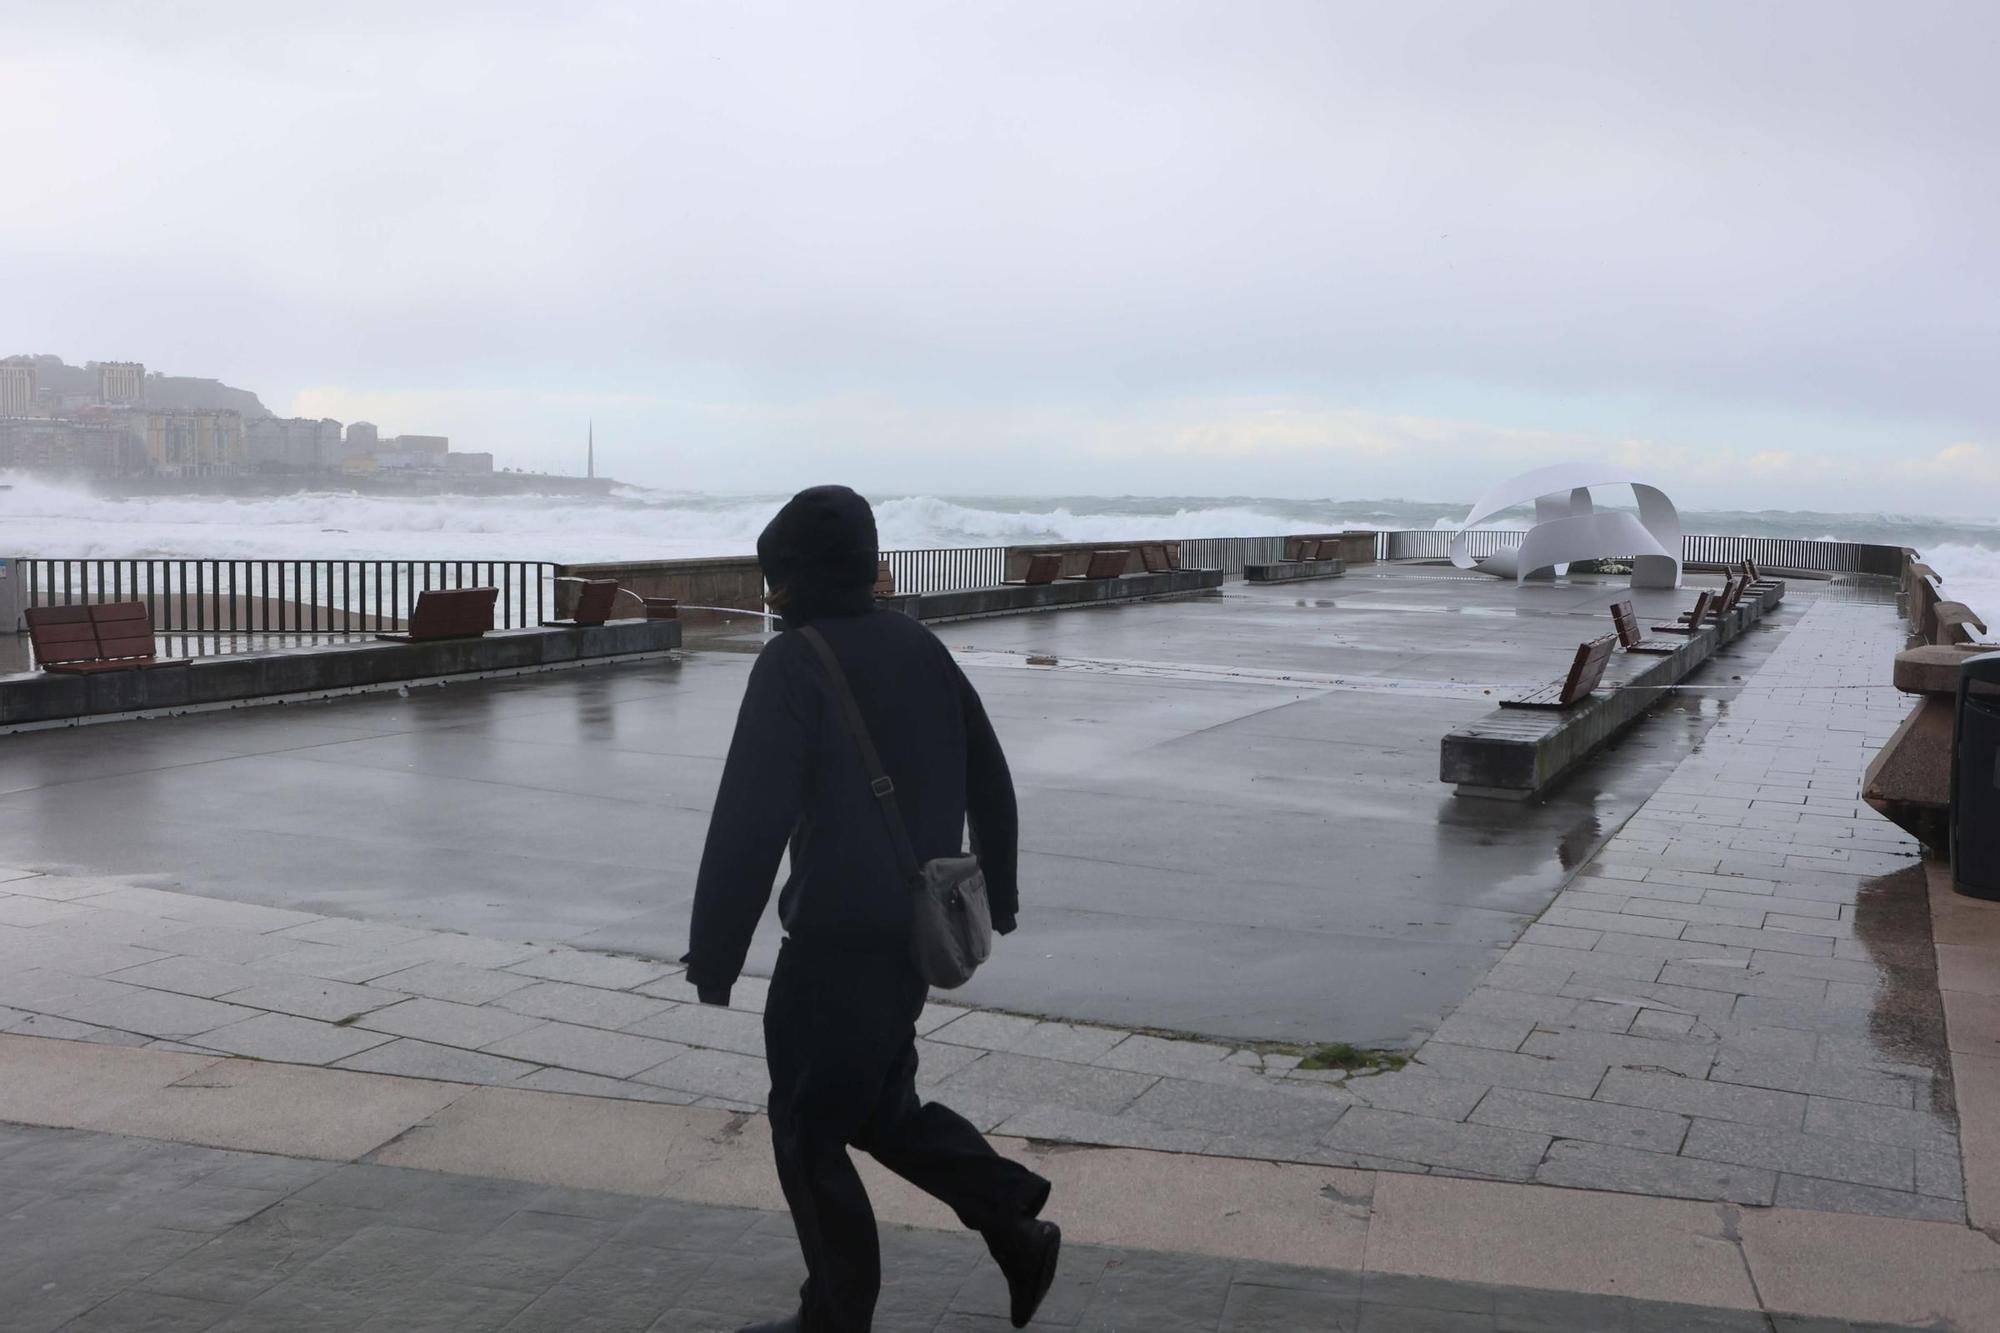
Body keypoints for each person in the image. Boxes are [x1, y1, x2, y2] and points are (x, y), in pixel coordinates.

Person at [686, 485, 1060, 1333]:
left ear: (790, 577)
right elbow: (990, 775)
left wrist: (714, 953)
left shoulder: (793, 663)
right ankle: (1012, 1219)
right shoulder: (921, 645)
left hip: (834, 944)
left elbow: (750, 817)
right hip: (912, 941)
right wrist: (995, 895)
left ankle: (836, 1318)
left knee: (807, 1129)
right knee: (879, 1106)